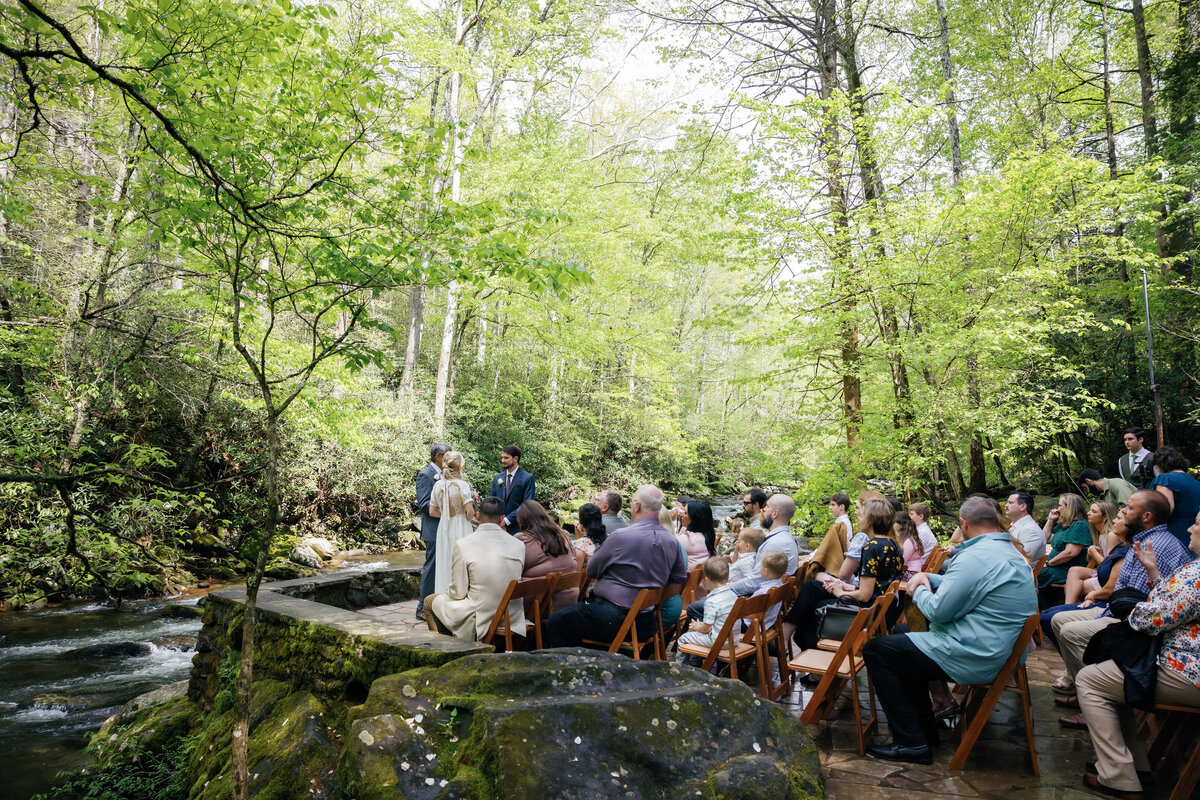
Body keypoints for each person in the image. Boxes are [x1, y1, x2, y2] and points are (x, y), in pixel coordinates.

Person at [861, 496, 1037, 764]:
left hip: (977, 653)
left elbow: (939, 611)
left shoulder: (976, 556)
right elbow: (970, 584)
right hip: (999, 648)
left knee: (876, 650)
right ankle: (924, 731)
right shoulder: (1007, 550)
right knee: (901, 636)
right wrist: (929, 577)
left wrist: (918, 588)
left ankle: (911, 743)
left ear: (964, 524)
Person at [1076, 509, 1200, 799]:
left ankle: (1119, 777)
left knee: (1090, 680)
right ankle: (1135, 766)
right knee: (1112, 669)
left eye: (1196, 524)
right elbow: (1173, 606)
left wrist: (1127, 606)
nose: (1190, 530)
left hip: (1189, 669)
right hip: (1180, 660)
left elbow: (1151, 617)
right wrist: (1154, 573)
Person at [1050, 490, 1192, 725]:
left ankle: (1097, 701)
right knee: (1058, 620)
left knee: (1070, 631)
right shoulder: (1142, 539)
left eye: (1129, 508)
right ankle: (1085, 693)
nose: (1123, 511)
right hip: (1121, 611)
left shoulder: (1154, 544)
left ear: (1146, 516)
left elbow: (1139, 603)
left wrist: (1100, 601)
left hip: (1135, 622)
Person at [544, 485, 687, 648]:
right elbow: (677, 584)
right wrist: (648, 601)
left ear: (637, 506)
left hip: (613, 621)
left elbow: (591, 570)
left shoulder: (621, 537)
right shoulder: (672, 541)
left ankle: (574, 670)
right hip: (647, 622)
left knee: (555, 623)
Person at [783, 497, 903, 653]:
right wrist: (843, 585)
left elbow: (865, 595)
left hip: (867, 610)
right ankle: (790, 637)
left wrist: (840, 592)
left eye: (861, 516)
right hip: (882, 609)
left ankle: (814, 661)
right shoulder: (892, 544)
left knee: (813, 609)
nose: (858, 519)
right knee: (812, 586)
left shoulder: (872, 547)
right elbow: (878, 585)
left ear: (871, 521)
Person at [425, 497, 526, 641]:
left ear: (478, 516)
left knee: (429, 601)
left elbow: (458, 593)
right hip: (512, 616)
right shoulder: (519, 545)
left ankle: (447, 648)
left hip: (481, 616)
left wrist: (452, 591)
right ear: (502, 518)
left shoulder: (463, 544)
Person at [1040, 505, 1133, 646]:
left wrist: (1093, 553)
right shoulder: (1095, 532)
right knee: (1074, 571)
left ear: (1105, 516)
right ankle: (1068, 607)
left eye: (1094, 511)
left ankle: (1068, 612)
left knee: (1074, 581)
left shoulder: (1112, 536)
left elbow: (1108, 566)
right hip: (1101, 576)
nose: (1088, 513)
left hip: (1106, 584)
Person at [515, 500, 579, 614]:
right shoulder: (564, 535)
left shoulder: (523, 540)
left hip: (538, 604)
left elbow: (512, 569)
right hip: (569, 599)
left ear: (522, 521)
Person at [675, 557, 737, 667]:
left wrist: (697, 626)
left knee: (683, 639)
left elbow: (706, 629)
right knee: (693, 634)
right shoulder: (733, 596)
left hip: (718, 641)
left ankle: (683, 669)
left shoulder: (711, 602)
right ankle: (695, 664)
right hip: (733, 639)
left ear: (707, 580)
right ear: (728, 578)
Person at [431, 451, 476, 595]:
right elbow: (470, 513)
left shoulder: (437, 485)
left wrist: (445, 516)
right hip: (461, 527)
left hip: (444, 529)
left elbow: (432, 511)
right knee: (461, 561)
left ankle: (442, 597)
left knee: (445, 560)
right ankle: (461, 596)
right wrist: (466, 518)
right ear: (459, 467)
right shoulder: (462, 485)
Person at [415, 442, 449, 621]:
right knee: (432, 568)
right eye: (447, 456)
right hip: (434, 530)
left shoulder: (447, 475)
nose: (450, 459)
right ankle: (421, 607)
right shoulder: (425, 475)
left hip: (447, 530)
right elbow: (424, 504)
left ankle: (440, 605)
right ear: (439, 457)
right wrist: (449, 511)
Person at [1149, 445, 1200, 552]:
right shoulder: (1195, 482)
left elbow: (1166, 508)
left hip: (1173, 531)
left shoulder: (1164, 479)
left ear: (1160, 464)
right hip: (1195, 530)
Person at [1037, 493, 1092, 592]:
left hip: (1066, 570)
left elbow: (1070, 552)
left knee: (1034, 574)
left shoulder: (1080, 525)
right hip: (1056, 567)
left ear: (1069, 507)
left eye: (1060, 505)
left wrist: (1048, 563)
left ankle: (1039, 605)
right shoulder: (1064, 526)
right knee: (1030, 572)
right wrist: (1050, 520)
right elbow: (1044, 539)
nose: (1057, 509)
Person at [799, 492, 853, 581]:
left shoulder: (842, 524)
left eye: (833, 505)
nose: (830, 507)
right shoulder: (842, 522)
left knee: (801, 566)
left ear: (842, 506)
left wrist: (811, 557)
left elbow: (830, 547)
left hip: (834, 563)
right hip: (832, 559)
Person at [489, 444, 535, 534]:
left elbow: (527, 505)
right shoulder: (497, 478)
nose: (503, 460)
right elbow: (491, 501)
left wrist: (506, 520)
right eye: (502, 457)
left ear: (515, 459)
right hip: (497, 527)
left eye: (506, 458)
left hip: (517, 527)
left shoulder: (527, 478)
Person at [1005, 491, 1046, 564]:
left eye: (1010, 503)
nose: (1006, 505)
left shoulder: (1031, 531)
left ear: (1023, 506)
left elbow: (1021, 561)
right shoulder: (1016, 526)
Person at [676, 499, 716, 569]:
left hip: (687, 578)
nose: (682, 515)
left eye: (685, 513)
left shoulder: (687, 539)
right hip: (701, 578)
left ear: (694, 518)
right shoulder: (708, 535)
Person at [895, 511, 926, 580]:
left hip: (910, 574)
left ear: (901, 525)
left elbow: (903, 560)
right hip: (907, 572)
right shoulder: (908, 538)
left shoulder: (909, 541)